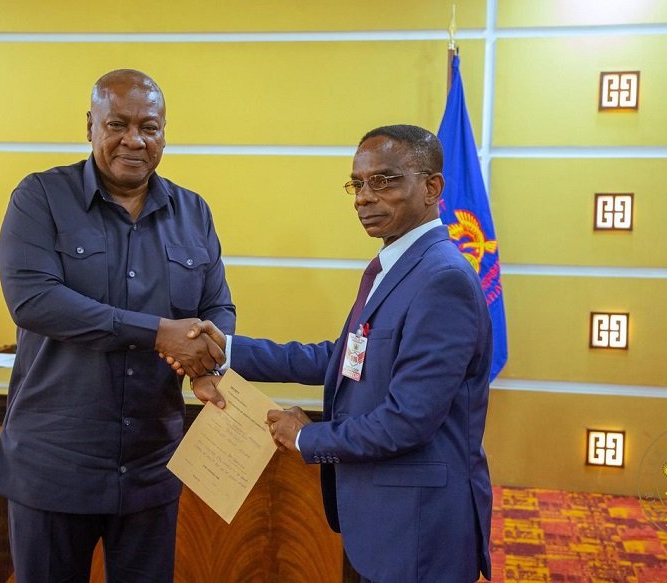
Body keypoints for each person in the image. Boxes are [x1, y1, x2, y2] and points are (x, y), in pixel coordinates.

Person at [180, 125, 493, 582]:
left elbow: (408, 420)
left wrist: (307, 438)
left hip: (420, 528)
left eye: (384, 180)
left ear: (432, 188)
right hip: (384, 521)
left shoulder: (442, 280)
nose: (364, 197)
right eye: (358, 183)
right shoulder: (393, 268)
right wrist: (226, 349)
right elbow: (343, 358)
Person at [0, 68, 234, 582]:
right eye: (117, 124)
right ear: (90, 126)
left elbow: (217, 307)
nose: (134, 140)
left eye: (149, 127)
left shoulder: (194, 212)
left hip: (151, 468)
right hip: (54, 465)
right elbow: (35, 301)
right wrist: (157, 333)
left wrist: (208, 360)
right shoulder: (39, 198)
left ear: (164, 132)